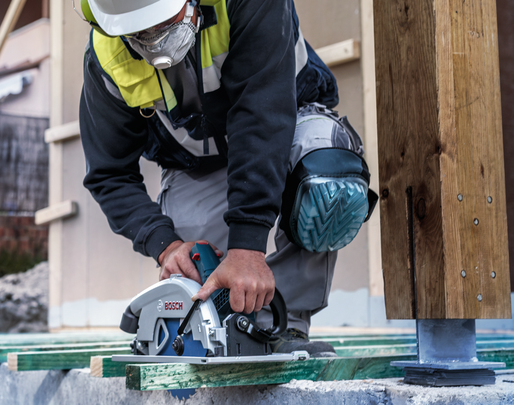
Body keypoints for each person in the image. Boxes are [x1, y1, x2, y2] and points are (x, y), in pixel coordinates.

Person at [77, 0, 377, 356]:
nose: (155, 41)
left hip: (286, 136)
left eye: (161, 23)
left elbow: (261, 118)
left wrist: (247, 245)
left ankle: (287, 329)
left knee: (326, 182)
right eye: (140, 34)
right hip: (198, 167)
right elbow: (109, 173)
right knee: (197, 265)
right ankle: (225, 330)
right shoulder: (105, 58)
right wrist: (166, 245)